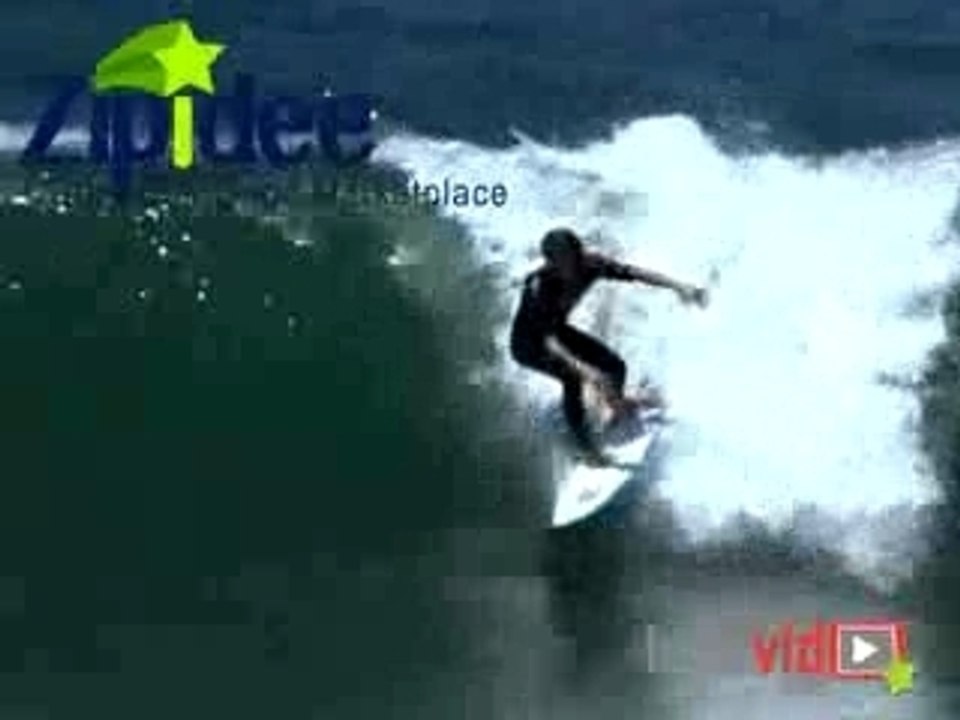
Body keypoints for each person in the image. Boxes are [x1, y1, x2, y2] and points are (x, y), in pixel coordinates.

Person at [510, 228, 708, 466]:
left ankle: (616, 405)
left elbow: (634, 273)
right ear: (550, 263)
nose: (570, 269)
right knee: (572, 379)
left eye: (573, 258)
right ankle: (586, 449)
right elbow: (549, 341)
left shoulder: (591, 264)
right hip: (529, 345)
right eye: (562, 263)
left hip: (558, 332)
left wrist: (679, 286)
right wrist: (586, 370)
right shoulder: (539, 287)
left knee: (616, 366)